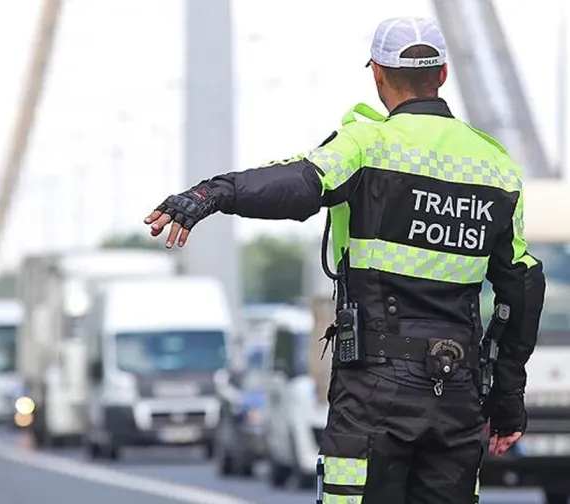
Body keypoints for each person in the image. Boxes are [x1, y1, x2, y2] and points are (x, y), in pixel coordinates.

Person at [143, 16, 545, 504]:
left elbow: (295, 184)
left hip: (374, 391)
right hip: (456, 392)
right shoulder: (496, 167)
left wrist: (212, 194)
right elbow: (521, 289)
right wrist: (506, 401)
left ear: (377, 73)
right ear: (442, 74)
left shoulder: (366, 144)